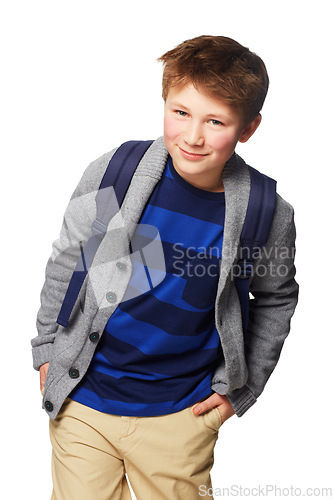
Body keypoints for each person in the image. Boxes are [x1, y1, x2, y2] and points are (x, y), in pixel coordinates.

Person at [32, 35, 299, 500]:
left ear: (248, 127)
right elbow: (69, 256)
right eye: (181, 113)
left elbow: (276, 297)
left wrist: (244, 385)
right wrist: (48, 347)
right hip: (84, 400)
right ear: (165, 104)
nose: (193, 136)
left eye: (215, 121)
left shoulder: (266, 212)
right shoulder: (114, 170)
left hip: (181, 415)